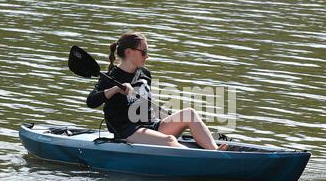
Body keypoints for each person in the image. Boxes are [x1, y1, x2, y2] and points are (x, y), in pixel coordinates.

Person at [86, 32, 228, 150]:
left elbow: (147, 104)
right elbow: (91, 101)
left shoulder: (145, 73)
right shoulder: (111, 77)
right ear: (129, 52)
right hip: (128, 131)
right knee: (169, 140)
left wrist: (167, 117)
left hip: (151, 125)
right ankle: (204, 160)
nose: (147, 56)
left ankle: (215, 152)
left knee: (189, 114)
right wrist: (116, 89)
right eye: (144, 52)